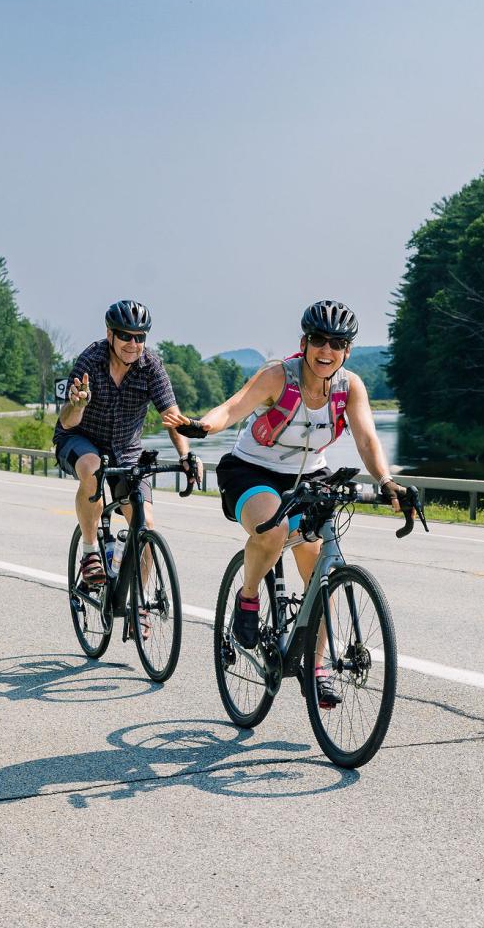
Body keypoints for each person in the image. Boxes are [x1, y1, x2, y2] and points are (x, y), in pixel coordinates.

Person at [164, 300, 404, 708]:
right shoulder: (279, 376)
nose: (326, 351)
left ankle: (317, 665)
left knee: (321, 571)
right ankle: (250, 595)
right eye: (318, 340)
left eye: (337, 343)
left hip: (310, 475)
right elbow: (234, 406)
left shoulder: (351, 387)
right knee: (273, 531)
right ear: (304, 342)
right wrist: (204, 426)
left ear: (347, 350)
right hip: (252, 471)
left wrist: (386, 480)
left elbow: (366, 440)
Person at [54, 300, 202, 589]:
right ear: (110, 334)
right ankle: (89, 551)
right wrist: (78, 404)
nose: (133, 343)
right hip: (80, 439)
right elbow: (68, 421)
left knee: (145, 526)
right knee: (92, 468)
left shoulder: (151, 367)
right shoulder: (90, 362)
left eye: (140, 337)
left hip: (127, 450)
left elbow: (172, 417)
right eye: (125, 336)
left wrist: (186, 454)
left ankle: (141, 606)